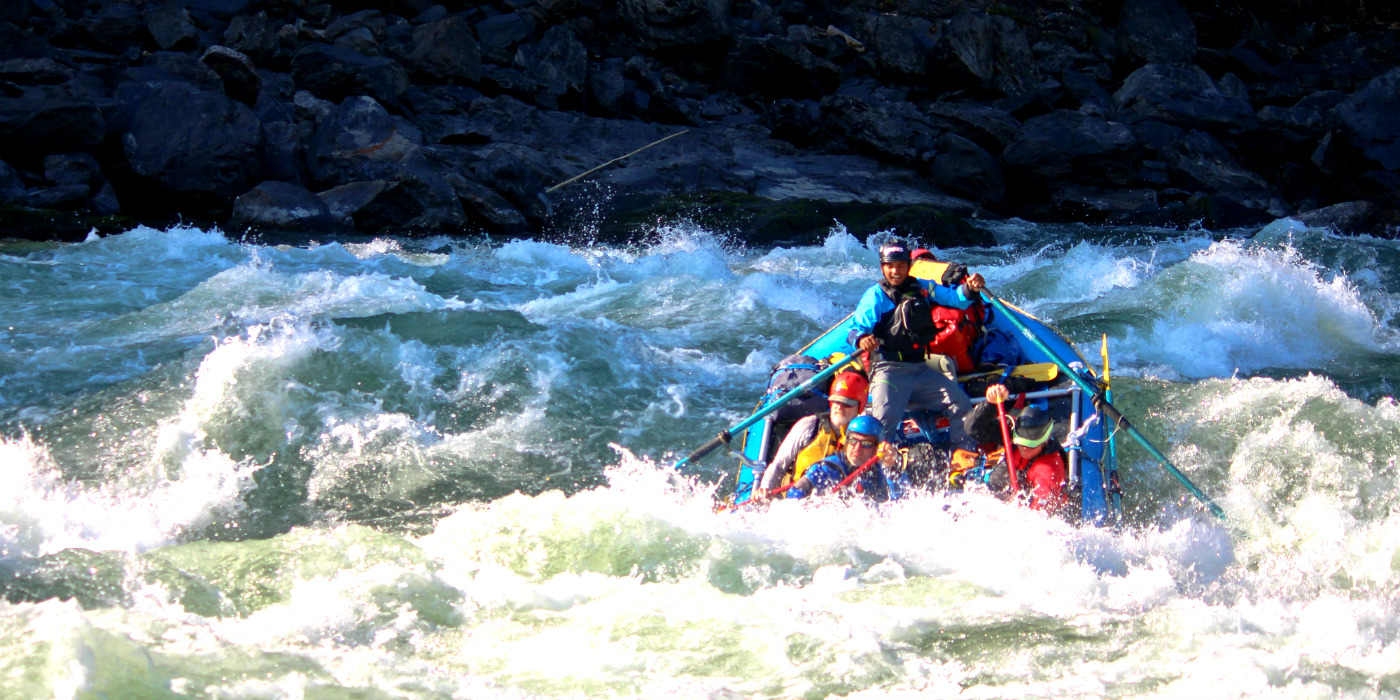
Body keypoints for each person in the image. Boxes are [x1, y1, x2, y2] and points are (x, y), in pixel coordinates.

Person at [849, 239, 985, 453]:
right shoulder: (875, 296)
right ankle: (881, 472)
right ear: (882, 267)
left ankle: (963, 454)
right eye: (890, 266)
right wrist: (861, 339)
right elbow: (856, 328)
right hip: (888, 371)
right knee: (882, 428)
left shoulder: (921, 287)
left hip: (920, 369)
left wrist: (970, 288)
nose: (896, 271)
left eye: (901, 265)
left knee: (961, 405)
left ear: (908, 265)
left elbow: (955, 299)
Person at [754, 371, 869, 499]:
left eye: (847, 404)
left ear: (860, 407)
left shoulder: (866, 437)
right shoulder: (809, 425)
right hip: (798, 499)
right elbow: (779, 465)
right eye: (836, 402)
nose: (839, 408)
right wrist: (765, 488)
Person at [962, 384, 1068, 514]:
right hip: (1002, 486)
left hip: (1023, 502)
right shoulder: (1011, 431)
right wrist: (989, 404)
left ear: (1045, 441)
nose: (1024, 448)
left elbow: (1042, 513)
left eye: (1031, 445)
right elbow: (972, 429)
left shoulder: (1048, 468)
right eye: (1021, 443)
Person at [785, 415, 907, 501]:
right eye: (853, 441)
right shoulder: (827, 469)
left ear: (876, 448)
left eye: (866, 444)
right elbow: (795, 493)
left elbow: (901, 499)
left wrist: (891, 468)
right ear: (846, 442)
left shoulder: (882, 470)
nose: (857, 448)